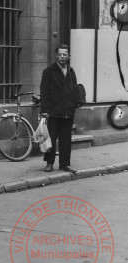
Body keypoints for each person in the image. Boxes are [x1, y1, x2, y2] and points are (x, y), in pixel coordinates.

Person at [40, 44, 79, 173]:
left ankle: (64, 164)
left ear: (69, 56)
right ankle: (49, 163)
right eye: (60, 54)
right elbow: (44, 92)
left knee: (66, 139)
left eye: (65, 54)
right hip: (53, 112)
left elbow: (74, 89)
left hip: (68, 111)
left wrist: (74, 105)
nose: (62, 57)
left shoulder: (71, 71)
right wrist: (44, 111)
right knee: (51, 138)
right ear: (56, 56)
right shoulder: (48, 71)